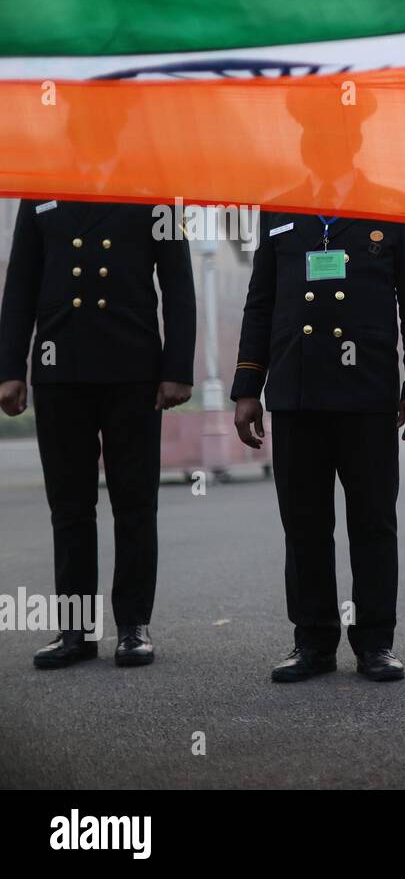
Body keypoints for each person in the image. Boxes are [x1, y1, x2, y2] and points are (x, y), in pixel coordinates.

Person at [231, 84, 405, 683]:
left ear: (354, 142)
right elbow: (259, 305)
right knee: (304, 522)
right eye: (311, 136)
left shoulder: (393, 208)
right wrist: (248, 387)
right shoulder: (279, 211)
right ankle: (313, 641)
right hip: (296, 395)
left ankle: (375, 641)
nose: (320, 145)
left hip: (368, 395)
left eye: (333, 136)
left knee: (373, 520)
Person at [0, 95, 195, 670]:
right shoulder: (41, 188)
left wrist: (177, 368)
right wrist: (10, 369)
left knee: (134, 503)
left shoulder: (152, 188)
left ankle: (133, 625)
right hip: (61, 370)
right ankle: (76, 631)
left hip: (132, 370)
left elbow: (177, 284)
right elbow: (20, 286)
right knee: (70, 505)